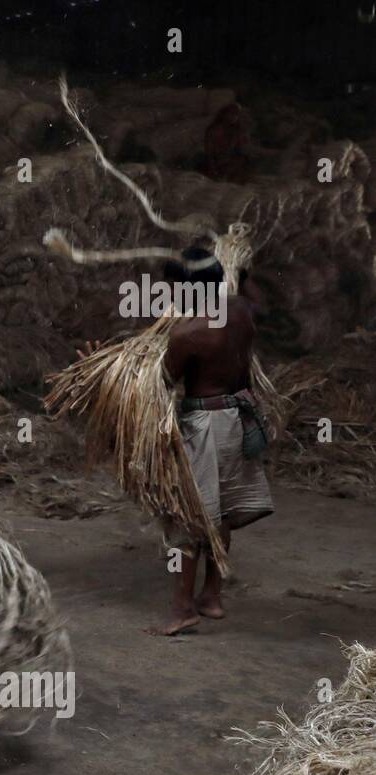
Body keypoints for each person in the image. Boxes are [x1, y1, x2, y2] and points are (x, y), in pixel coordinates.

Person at [158, 247, 273, 634]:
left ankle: (181, 608)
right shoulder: (241, 311)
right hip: (239, 417)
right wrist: (244, 271)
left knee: (190, 514)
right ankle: (212, 595)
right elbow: (258, 301)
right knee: (219, 511)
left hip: (205, 424)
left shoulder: (188, 333)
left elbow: (163, 381)